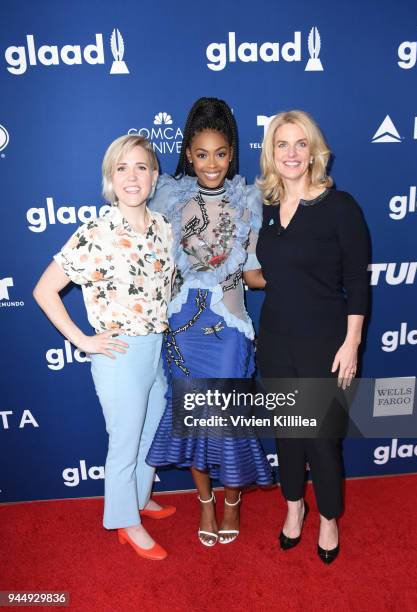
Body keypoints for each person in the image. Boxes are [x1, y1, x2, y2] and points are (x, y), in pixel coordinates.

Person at [33, 135, 175, 561]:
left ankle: (137, 499)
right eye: (122, 168)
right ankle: (123, 521)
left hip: (157, 348)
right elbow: (44, 290)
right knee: (126, 441)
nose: (133, 177)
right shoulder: (96, 231)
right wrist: (82, 340)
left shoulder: (164, 227)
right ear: (111, 179)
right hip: (119, 354)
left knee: (151, 435)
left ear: (154, 175)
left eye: (141, 167)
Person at [244, 110, 369, 563]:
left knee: (321, 438)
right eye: (282, 144)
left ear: (314, 151)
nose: (292, 153)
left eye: (300, 144)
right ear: (271, 155)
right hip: (276, 338)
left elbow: (357, 280)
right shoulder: (268, 209)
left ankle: (330, 517)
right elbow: (260, 274)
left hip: (326, 341)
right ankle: (294, 508)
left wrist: (352, 343)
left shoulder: (341, 208)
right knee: (288, 435)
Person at [146, 97, 272, 547]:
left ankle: (232, 501)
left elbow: (255, 274)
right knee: (195, 417)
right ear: (188, 154)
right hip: (181, 324)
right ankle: (205, 504)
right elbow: (150, 260)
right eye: (202, 155)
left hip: (230, 326)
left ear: (232, 153)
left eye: (220, 154)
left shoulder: (249, 200)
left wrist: (297, 267)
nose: (212, 164)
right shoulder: (168, 199)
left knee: (230, 420)